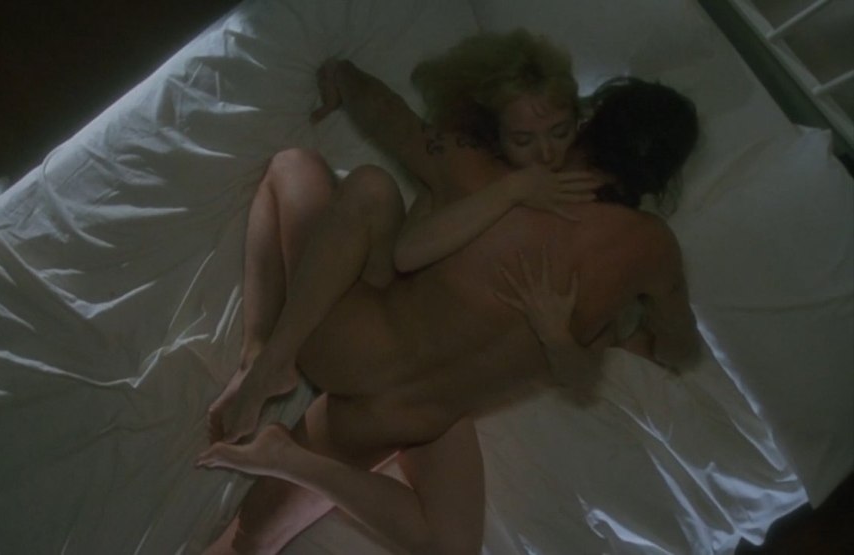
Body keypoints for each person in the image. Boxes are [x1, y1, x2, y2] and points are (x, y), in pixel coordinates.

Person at [199, 30, 701, 554]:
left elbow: (390, 119)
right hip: (408, 419)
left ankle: (260, 352)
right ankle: (283, 432)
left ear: (586, 122)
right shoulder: (654, 251)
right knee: (255, 539)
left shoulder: (480, 168)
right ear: (660, 180)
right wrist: (620, 334)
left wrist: (342, 76)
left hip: (347, 347)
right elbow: (681, 350)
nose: (546, 148)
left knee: (293, 166)